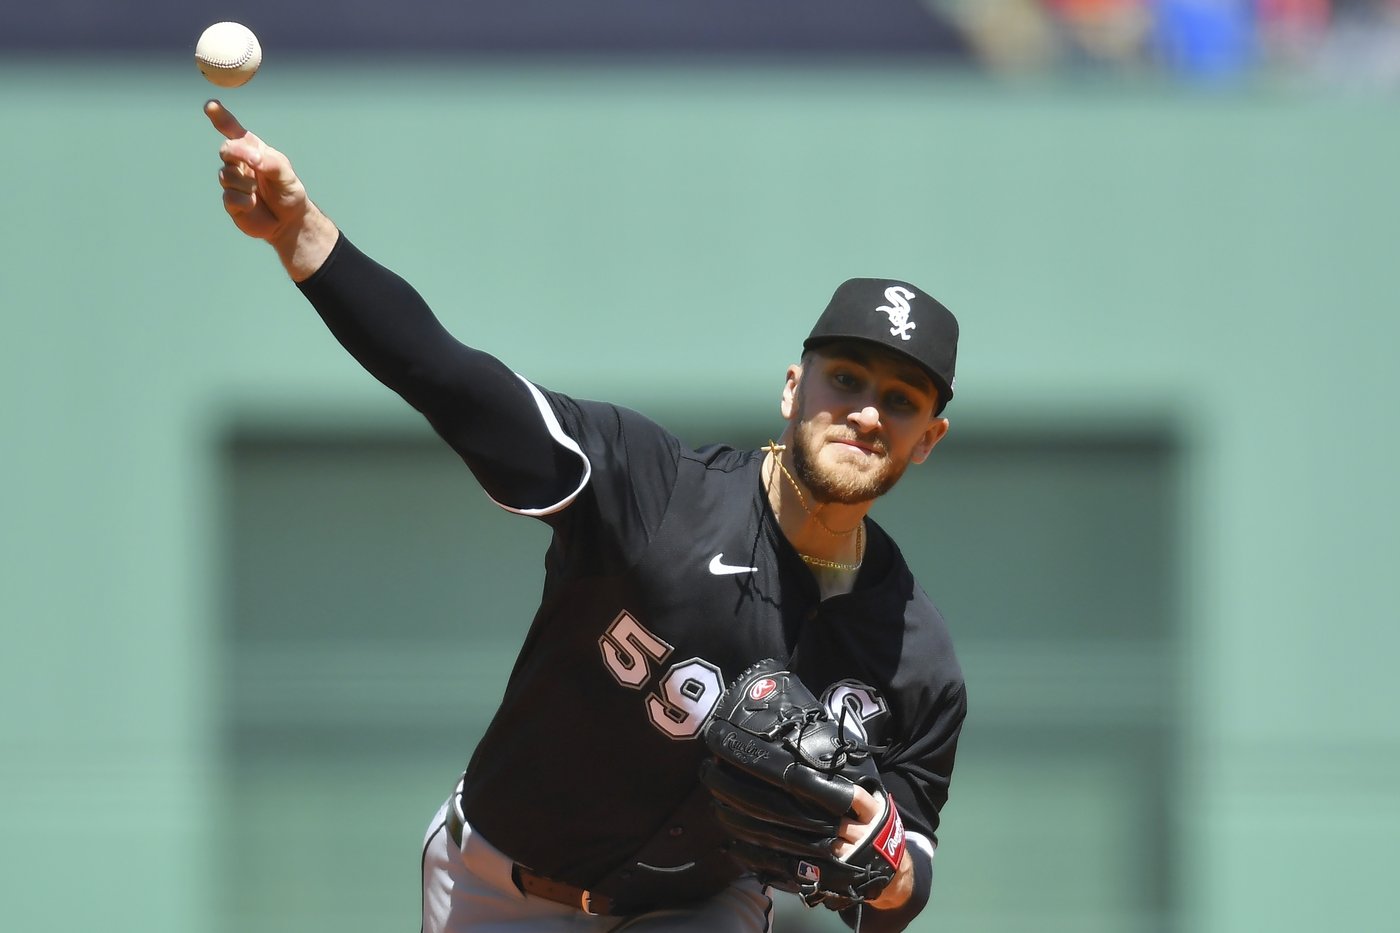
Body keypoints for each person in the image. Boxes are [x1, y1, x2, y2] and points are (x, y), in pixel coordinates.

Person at [204, 98, 967, 933]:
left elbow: (910, 860)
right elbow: (454, 381)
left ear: (926, 438)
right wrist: (302, 235)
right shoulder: (655, 489)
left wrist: (890, 870)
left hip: (698, 906)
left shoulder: (910, 653)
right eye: (846, 379)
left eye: (899, 400)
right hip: (503, 885)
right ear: (794, 387)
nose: (865, 412)